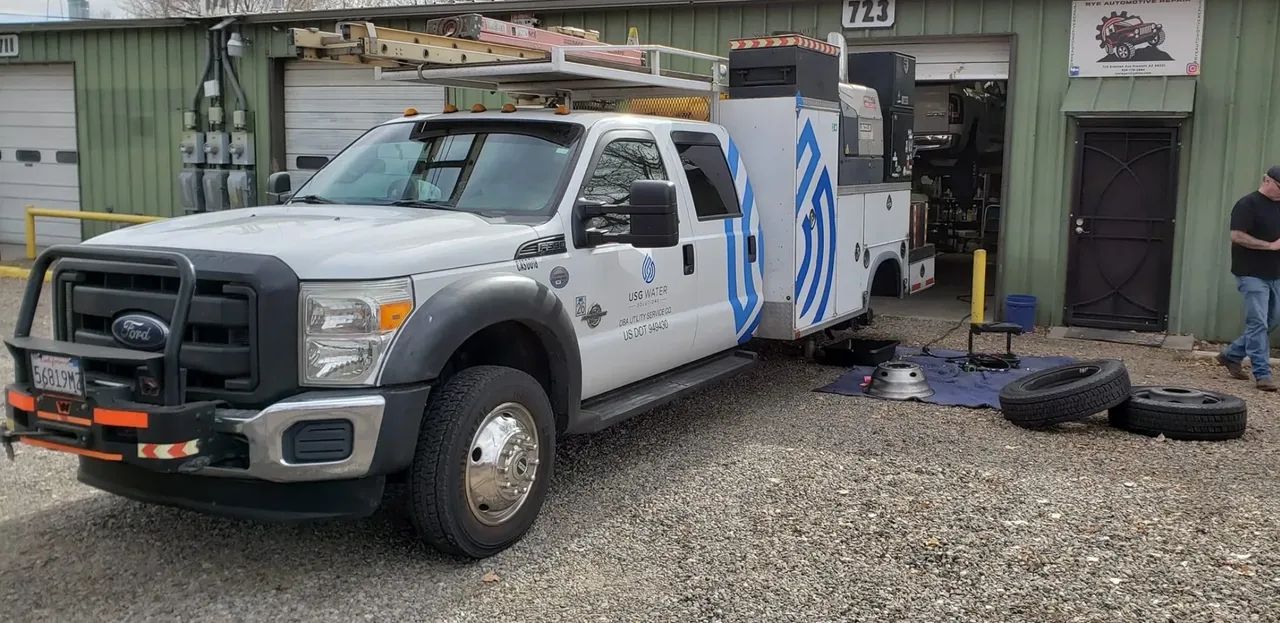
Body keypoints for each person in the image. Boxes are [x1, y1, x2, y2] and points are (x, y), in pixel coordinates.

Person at [1220, 165, 1280, 391]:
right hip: (1251, 273)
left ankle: (1231, 354)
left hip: (1275, 273)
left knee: (1271, 321)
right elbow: (1237, 236)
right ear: (1267, 180)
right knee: (1258, 322)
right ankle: (1262, 374)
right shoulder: (1247, 204)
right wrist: (1270, 246)